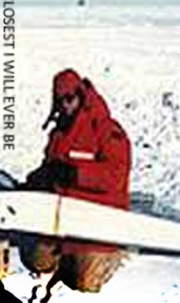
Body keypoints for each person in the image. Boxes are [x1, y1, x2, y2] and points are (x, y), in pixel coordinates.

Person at [19, 69, 131, 296]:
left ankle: (113, 254)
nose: (65, 105)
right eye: (60, 100)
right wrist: (38, 180)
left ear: (81, 95)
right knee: (36, 259)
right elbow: (53, 169)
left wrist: (75, 174)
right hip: (64, 218)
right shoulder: (59, 133)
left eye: (69, 98)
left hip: (100, 220)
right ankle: (64, 263)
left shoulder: (106, 129)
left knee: (85, 283)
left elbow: (115, 176)